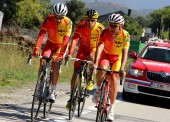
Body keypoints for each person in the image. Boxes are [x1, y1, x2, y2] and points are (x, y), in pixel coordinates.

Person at [92, 13, 130, 121]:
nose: (111, 28)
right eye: (110, 25)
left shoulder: (125, 35)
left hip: (117, 58)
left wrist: (122, 68)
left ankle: (112, 109)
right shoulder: (105, 32)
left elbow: (125, 53)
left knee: (114, 78)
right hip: (106, 55)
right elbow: (100, 47)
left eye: (114, 25)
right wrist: (95, 63)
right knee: (102, 67)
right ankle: (99, 90)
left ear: (120, 26)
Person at [32, 3, 72, 103]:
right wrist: (36, 48)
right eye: (56, 17)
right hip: (50, 43)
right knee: (43, 60)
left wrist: (60, 54)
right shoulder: (48, 19)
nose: (58, 20)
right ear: (53, 15)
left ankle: (53, 91)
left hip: (61, 46)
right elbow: (41, 34)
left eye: (60, 18)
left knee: (55, 65)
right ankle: (39, 87)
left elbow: (66, 41)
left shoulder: (68, 22)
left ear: (64, 16)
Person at [66, 9, 105, 109]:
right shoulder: (81, 25)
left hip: (94, 48)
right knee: (75, 72)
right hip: (83, 48)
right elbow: (75, 39)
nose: (90, 22)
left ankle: (91, 78)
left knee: (92, 56)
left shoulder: (100, 28)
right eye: (88, 20)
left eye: (93, 20)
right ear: (85, 19)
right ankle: (71, 98)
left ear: (96, 20)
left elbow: (103, 43)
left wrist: (98, 60)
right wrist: (70, 53)